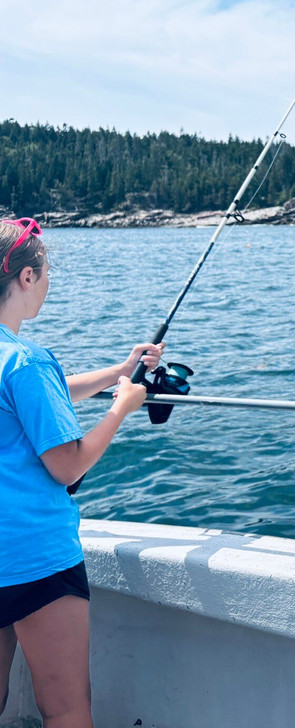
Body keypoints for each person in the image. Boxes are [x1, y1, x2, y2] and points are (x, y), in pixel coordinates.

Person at [0, 217, 164, 728]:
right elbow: (67, 463)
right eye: (46, 274)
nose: (47, 285)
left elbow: (30, 402)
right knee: (67, 709)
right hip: (35, 560)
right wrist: (122, 408)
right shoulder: (27, 361)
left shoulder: (18, 365)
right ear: (27, 277)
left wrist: (118, 372)